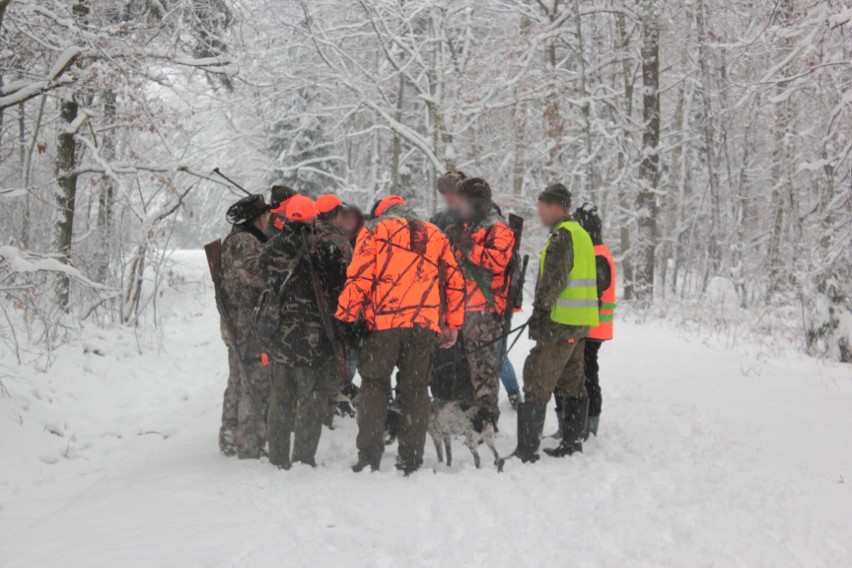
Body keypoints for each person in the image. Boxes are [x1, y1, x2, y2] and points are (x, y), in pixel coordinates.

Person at [336, 195, 465, 475]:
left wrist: (345, 317)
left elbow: (358, 279)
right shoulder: (434, 234)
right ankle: (411, 458)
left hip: (382, 326)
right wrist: (452, 323)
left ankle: (369, 455)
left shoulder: (373, 232)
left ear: (381, 213)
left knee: (373, 386)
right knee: (415, 391)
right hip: (423, 326)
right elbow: (454, 281)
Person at [510, 184, 599, 463]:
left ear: (558, 207)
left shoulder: (563, 237)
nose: (539, 212)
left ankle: (526, 451)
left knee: (537, 378)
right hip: (579, 324)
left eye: (542, 207)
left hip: (559, 324)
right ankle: (572, 442)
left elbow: (553, 281)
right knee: (573, 382)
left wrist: (539, 311)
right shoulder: (582, 234)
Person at [260, 195, 349, 469]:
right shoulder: (323, 249)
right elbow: (338, 289)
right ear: (312, 218)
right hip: (314, 339)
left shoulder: (270, 247)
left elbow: (263, 280)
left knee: (280, 401)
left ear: (287, 218)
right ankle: (303, 457)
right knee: (310, 401)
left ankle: (277, 457)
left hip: (279, 337)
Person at [444, 178, 515, 425]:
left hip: (485, 311)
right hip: (467, 308)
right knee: (469, 368)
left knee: (484, 370)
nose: (458, 207)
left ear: (476, 203)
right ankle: (473, 417)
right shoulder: (472, 226)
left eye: (463, 202)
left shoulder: (497, 228)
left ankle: (487, 421)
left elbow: (497, 263)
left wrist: (466, 245)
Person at [217, 194, 272, 459]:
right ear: (257, 218)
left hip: (237, 326)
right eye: (265, 216)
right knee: (253, 381)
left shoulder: (232, 240)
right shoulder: (245, 242)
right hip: (248, 327)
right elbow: (255, 276)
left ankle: (229, 435)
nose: (268, 220)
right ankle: (248, 443)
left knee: (238, 379)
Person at [429, 171, 475, 402]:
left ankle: (465, 404)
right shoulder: (438, 220)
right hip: (444, 298)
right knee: (444, 355)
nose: (448, 199)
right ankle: (444, 402)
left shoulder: (478, 218)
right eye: (444, 194)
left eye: (452, 193)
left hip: (472, 301)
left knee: (468, 357)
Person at [574, 202, 615, 438]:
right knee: (588, 374)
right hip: (595, 326)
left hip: (592, 327)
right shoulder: (599, 252)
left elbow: (595, 293)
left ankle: (589, 424)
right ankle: (587, 422)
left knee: (588, 375)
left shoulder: (597, 255)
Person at [315, 194, 356, 424]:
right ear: (336, 214)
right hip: (337, 313)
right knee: (342, 362)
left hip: (315, 316)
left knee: (324, 364)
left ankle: (325, 407)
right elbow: (350, 280)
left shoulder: (310, 237)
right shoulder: (339, 242)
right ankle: (336, 405)